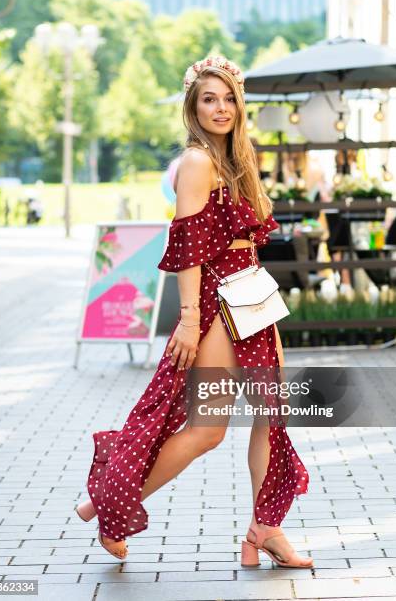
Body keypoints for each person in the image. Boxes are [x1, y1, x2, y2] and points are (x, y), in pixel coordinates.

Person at [75, 55, 313, 569]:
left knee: (273, 416)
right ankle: (109, 504)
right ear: (193, 105)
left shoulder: (238, 159)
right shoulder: (199, 161)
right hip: (217, 303)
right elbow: (187, 245)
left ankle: (265, 529)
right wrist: (187, 318)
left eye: (228, 98)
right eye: (209, 98)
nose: (220, 108)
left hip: (253, 295)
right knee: (208, 429)